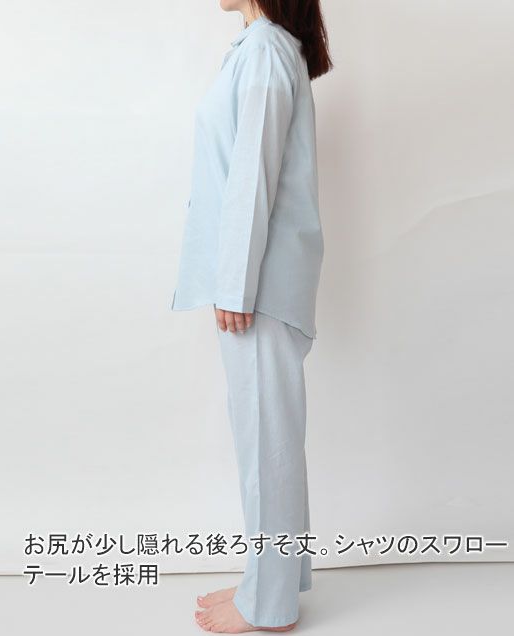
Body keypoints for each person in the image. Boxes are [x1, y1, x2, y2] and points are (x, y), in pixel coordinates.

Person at [170, 0, 333, 632]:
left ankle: (267, 604)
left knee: (267, 443)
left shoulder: (264, 50)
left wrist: (235, 286)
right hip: (259, 279)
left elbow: (252, 176)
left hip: (259, 284)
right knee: (270, 440)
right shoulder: (259, 47)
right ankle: (275, 582)